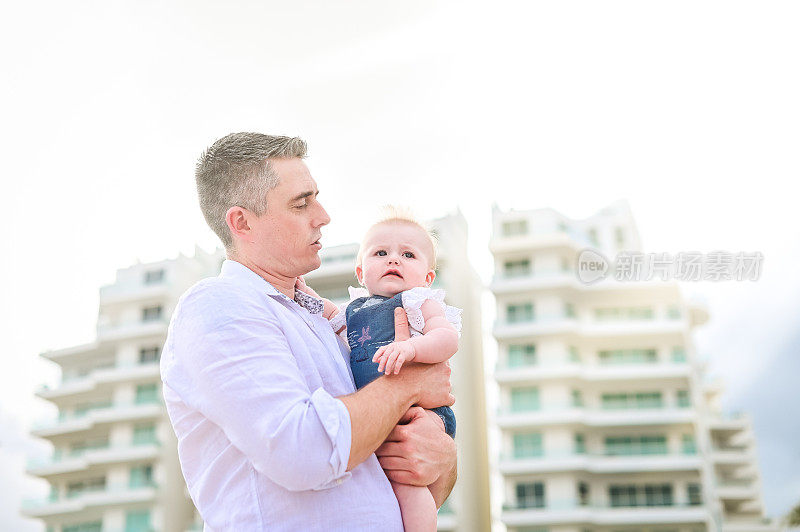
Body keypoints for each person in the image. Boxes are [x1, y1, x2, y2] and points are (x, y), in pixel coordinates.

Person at [160, 132, 457, 531]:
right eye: (302, 203)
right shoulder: (217, 306)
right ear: (242, 222)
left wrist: (442, 458)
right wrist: (407, 385)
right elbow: (303, 451)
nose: (323, 215)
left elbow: (404, 468)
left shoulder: (330, 321)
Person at [296, 210, 460, 532]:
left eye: (408, 254)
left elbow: (447, 337)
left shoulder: (418, 302)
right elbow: (329, 314)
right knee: (383, 485)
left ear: (428, 277)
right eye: (381, 253)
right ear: (360, 272)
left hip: (421, 413)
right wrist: (303, 291)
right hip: (378, 416)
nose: (393, 260)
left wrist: (412, 348)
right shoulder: (355, 309)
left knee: (408, 486)